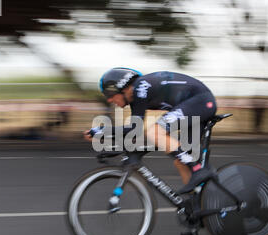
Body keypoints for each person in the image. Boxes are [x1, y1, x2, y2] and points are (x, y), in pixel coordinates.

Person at [84, 67, 217, 195]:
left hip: (201, 101)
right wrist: (106, 138)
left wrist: (102, 131)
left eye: (110, 95)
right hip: (194, 106)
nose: (109, 100)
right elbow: (134, 132)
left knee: (155, 131)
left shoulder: (141, 87)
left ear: (122, 88)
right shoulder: (136, 98)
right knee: (180, 159)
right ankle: (197, 203)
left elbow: (136, 130)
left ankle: (198, 169)